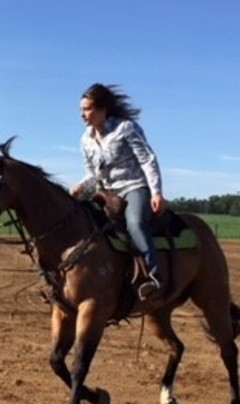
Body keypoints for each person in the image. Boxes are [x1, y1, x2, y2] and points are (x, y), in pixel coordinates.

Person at [71, 83, 168, 301]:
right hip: (106, 193)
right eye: (81, 110)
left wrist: (156, 193)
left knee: (134, 224)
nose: (82, 115)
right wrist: (80, 186)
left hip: (134, 188)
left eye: (87, 109)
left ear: (102, 109)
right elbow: (92, 175)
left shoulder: (126, 128)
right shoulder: (85, 140)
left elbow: (147, 160)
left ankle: (154, 276)